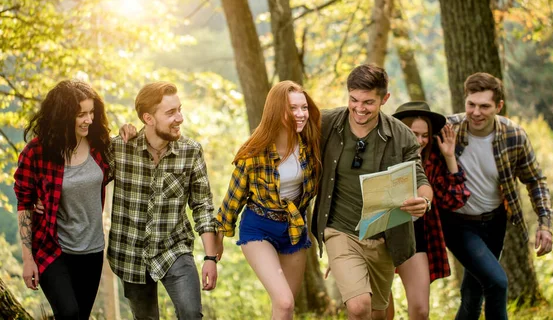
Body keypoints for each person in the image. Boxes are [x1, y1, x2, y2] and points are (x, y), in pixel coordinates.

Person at [312, 64, 432, 320]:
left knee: (378, 313)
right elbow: (289, 131)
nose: (359, 108)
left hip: (383, 237)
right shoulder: (327, 123)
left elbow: (419, 177)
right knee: (358, 307)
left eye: (368, 102)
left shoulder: (402, 136)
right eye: (353, 100)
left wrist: (424, 201)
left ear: (384, 99)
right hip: (339, 230)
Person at [440, 72, 553, 320]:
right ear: (465, 101)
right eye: (471, 104)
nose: (476, 112)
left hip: (494, 223)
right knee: (497, 283)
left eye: (484, 106)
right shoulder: (448, 131)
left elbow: (535, 180)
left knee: (473, 293)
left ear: (498, 106)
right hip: (457, 223)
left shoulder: (514, 136)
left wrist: (545, 224)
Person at [109, 81, 221, 320]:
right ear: (148, 118)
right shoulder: (120, 148)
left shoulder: (191, 151)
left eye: (179, 109)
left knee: (191, 314)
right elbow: (86, 175)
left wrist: (210, 258)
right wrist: (41, 200)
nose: (179, 118)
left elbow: (202, 206)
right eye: (171, 113)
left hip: (174, 247)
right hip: (130, 253)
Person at [214, 80, 321, 320]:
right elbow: (233, 198)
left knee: (285, 309)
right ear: (277, 110)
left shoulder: (311, 145)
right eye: (293, 108)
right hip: (259, 227)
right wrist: (214, 249)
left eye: (303, 107)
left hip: (294, 229)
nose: (301, 114)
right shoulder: (255, 151)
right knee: (284, 302)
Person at [14, 80, 112, 319]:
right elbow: (25, 204)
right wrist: (28, 260)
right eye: (82, 114)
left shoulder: (100, 145)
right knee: (69, 313)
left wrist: (130, 131)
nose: (89, 119)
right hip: (53, 248)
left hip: (92, 249)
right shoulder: (37, 152)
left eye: (92, 112)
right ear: (63, 116)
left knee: (80, 316)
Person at [387, 101, 471, 319]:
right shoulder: (383, 155)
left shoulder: (432, 160)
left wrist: (450, 156)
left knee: (421, 310)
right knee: (380, 312)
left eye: (425, 135)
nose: (420, 141)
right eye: (414, 134)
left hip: (416, 236)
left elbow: (455, 200)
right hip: (381, 235)